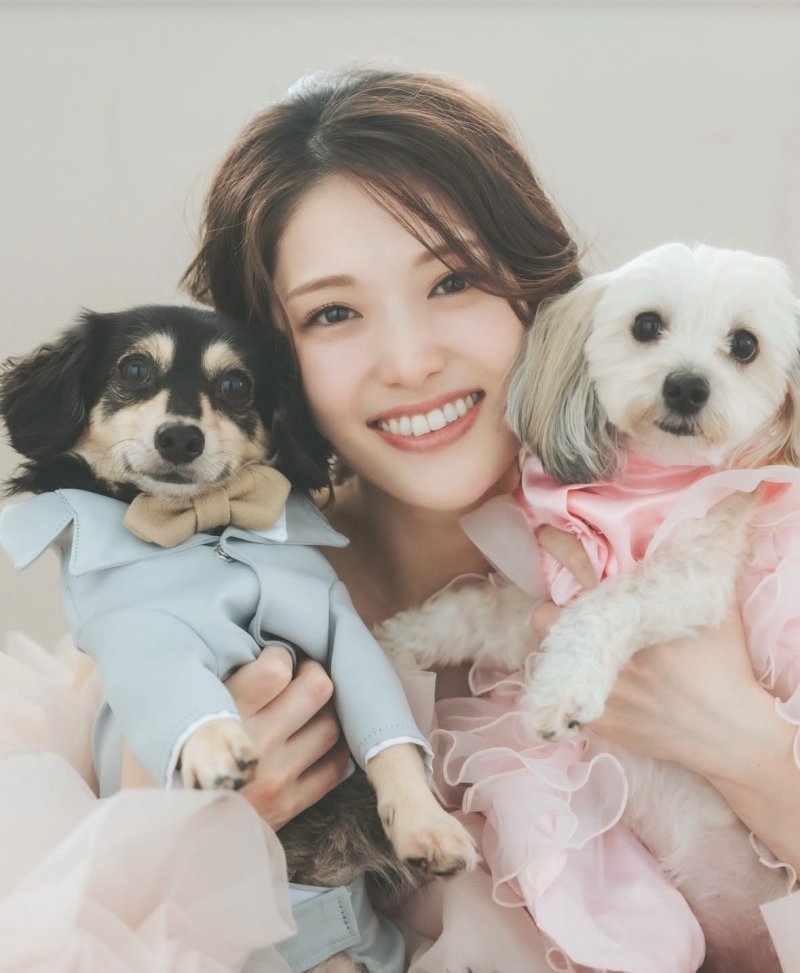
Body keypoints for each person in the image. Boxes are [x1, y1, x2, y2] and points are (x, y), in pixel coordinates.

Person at [131, 66, 800, 972]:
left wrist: (754, 753)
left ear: (534, 286)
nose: (410, 361)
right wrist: (181, 846)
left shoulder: (747, 542)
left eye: (451, 281)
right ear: (268, 359)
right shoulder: (203, 618)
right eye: (333, 312)